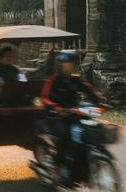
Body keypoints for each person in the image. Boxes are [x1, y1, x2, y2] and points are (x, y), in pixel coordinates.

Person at [40, 50, 106, 180]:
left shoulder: (77, 80)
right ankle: (55, 166)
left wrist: (101, 101)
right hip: (56, 117)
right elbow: (44, 98)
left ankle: (80, 166)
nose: (71, 66)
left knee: (87, 133)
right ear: (61, 64)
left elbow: (90, 91)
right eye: (68, 63)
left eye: (73, 63)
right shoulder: (52, 80)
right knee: (66, 135)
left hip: (74, 115)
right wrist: (56, 108)